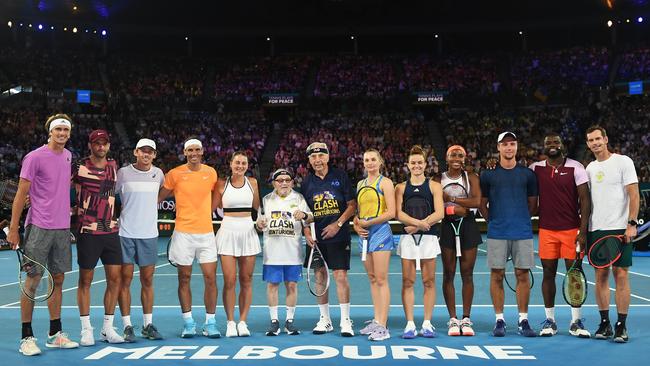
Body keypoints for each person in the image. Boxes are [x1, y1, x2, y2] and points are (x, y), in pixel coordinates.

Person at [7, 114, 79, 356]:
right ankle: (26, 337)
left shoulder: (69, 156)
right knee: (33, 281)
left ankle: (55, 334)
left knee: (58, 280)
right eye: (58, 129)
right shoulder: (34, 157)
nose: (62, 133)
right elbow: (20, 194)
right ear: (50, 131)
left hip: (62, 228)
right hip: (37, 227)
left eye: (65, 130)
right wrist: (15, 228)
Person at [529, 133, 591, 338]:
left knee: (574, 274)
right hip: (546, 230)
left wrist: (583, 231)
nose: (553, 145)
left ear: (562, 145)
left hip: (571, 230)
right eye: (548, 143)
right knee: (548, 274)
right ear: (543, 147)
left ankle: (576, 321)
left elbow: (585, 200)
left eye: (556, 142)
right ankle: (550, 320)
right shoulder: (535, 169)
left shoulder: (576, 167)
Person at [158, 138, 219, 338]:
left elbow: (216, 195)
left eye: (197, 150)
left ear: (202, 152)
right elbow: (158, 197)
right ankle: (188, 322)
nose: (194, 153)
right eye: (190, 150)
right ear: (185, 152)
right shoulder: (174, 174)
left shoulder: (211, 173)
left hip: (207, 235)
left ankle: (210, 322)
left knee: (210, 279)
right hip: (183, 234)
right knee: (184, 279)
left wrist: (206, 213)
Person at [479, 131, 538, 338]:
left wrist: (521, 219)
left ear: (516, 146)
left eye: (512, 144)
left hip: (522, 231)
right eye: (505, 145)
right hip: (497, 232)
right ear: (498, 148)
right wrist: (492, 221)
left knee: (522, 275)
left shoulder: (528, 174)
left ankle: (523, 320)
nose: (509, 148)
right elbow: (482, 203)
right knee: (497, 275)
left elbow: (533, 204)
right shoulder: (488, 174)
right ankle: (500, 320)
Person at [585, 125, 639, 343]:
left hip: (619, 227)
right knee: (600, 276)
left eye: (598, 138)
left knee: (621, 275)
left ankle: (621, 325)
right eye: (591, 140)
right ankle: (605, 323)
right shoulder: (588, 168)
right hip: (596, 229)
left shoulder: (623, 161)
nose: (595, 143)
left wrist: (631, 223)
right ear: (588, 144)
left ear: (606, 139)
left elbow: (634, 195)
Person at [73, 129, 125, 345]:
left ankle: (107, 328)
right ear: (90, 145)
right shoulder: (78, 167)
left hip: (110, 230)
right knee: (86, 280)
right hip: (88, 231)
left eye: (104, 143)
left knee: (115, 279)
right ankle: (86, 329)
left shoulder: (114, 166)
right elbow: (57, 187)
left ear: (109, 146)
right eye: (97, 143)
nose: (101, 147)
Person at [300, 142, 357, 337]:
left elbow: (352, 205)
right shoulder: (306, 182)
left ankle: (345, 320)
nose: (317, 160)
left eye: (320, 156)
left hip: (339, 235)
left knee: (340, 276)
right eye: (313, 157)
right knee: (319, 277)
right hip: (317, 238)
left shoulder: (340, 176)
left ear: (327, 157)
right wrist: (306, 232)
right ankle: (325, 320)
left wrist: (338, 224)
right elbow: (304, 213)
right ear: (309, 160)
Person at [116, 138, 165, 341]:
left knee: (147, 280)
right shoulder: (123, 173)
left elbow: (160, 194)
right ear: (136, 152)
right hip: (125, 234)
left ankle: (147, 324)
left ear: (154, 155)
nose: (146, 154)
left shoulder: (159, 174)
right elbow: (109, 196)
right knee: (125, 280)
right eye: (143, 151)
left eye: (150, 152)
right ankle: (127, 325)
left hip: (149, 235)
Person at [394, 145, 444, 339]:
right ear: (408, 165)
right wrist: (418, 224)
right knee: (408, 281)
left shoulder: (434, 186)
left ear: (425, 165)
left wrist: (418, 226)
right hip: (408, 239)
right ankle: (409, 324)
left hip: (429, 238)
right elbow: (399, 213)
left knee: (428, 281)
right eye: (413, 163)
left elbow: (439, 213)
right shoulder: (400, 187)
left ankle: (427, 323)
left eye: (419, 162)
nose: (416, 165)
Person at [257, 168, 313, 336]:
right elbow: (259, 223)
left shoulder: (299, 198)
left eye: (287, 180)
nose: (284, 183)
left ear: (291, 182)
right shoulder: (266, 200)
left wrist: (303, 214)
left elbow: (310, 218)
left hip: (293, 252)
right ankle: (274, 321)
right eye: (280, 180)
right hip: (272, 252)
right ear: (274, 183)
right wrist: (260, 224)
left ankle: (289, 321)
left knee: (291, 285)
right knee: (272, 285)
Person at [436, 145, 482, 337]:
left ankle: (466, 318)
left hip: (468, 225)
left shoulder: (471, 178)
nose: (456, 158)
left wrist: (451, 199)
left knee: (467, 273)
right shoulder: (438, 179)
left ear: (465, 158)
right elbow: (435, 202)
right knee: (448, 273)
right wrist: (451, 210)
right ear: (446, 158)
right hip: (447, 225)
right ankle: (453, 319)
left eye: (460, 155)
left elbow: (476, 202)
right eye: (453, 155)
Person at [214, 151, 261, 337]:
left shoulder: (253, 183)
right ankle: (230, 322)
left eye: (243, 163)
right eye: (237, 163)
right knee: (229, 281)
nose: (240, 166)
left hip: (248, 232)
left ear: (247, 165)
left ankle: (243, 322)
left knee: (246, 280)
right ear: (231, 164)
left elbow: (257, 209)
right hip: (227, 232)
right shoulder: (220, 184)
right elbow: (210, 208)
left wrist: (262, 221)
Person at [352, 149, 396, 341]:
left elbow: (392, 212)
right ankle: (377, 320)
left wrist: (369, 223)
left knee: (381, 279)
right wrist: (356, 223)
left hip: (380, 233)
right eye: (366, 160)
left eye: (373, 160)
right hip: (364, 234)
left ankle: (383, 326)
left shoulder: (385, 183)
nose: (370, 163)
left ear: (380, 162)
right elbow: (359, 212)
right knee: (371, 278)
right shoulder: (360, 184)